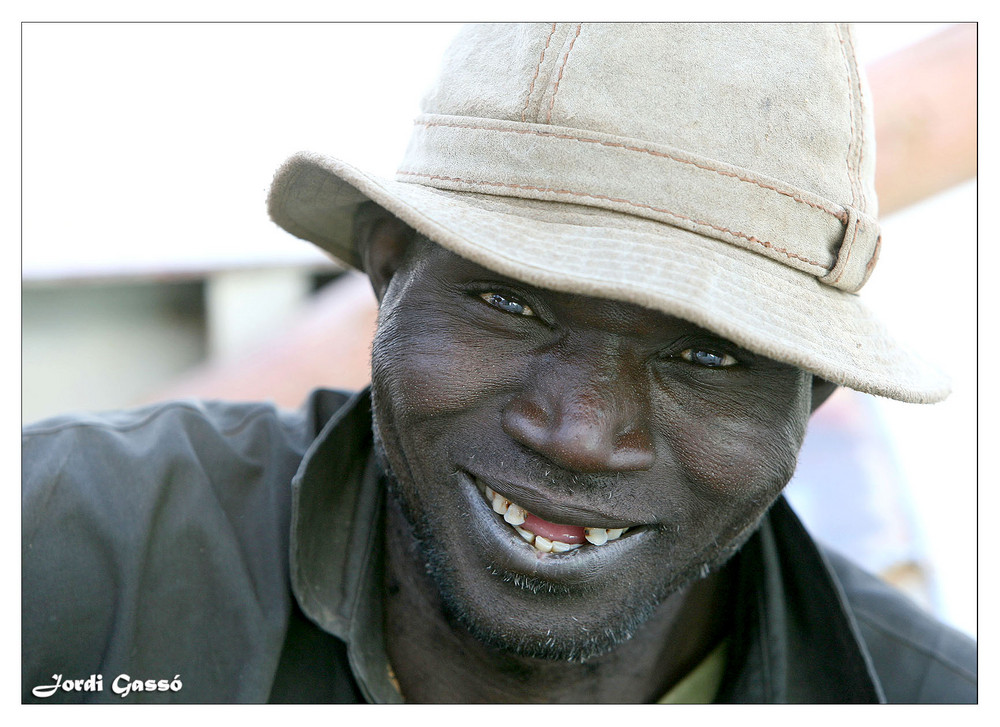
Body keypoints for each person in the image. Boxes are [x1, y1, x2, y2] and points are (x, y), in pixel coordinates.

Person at [22, 23, 976, 704]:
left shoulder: (923, 698)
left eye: (703, 357)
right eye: (511, 304)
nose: (582, 433)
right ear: (388, 274)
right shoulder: (61, 547)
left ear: (811, 396)